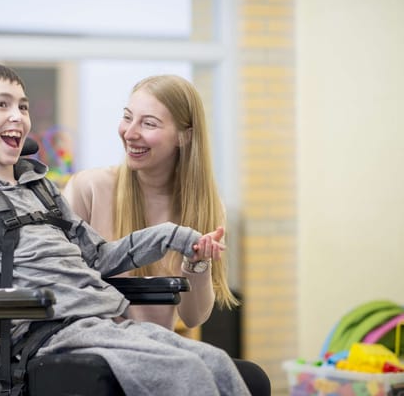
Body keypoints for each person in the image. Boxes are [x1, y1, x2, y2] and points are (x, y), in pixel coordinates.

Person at [0, 62, 250, 396]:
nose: (17, 116)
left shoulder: (42, 190)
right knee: (186, 371)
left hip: (101, 320)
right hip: (50, 332)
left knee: (218, 364)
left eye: (22, 106)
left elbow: (98, 256)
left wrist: (175, 236)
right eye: (1, 104)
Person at [63, 74, 271, 396]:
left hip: (156, 348)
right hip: (93, 346)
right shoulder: (87, 189)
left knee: (254, 379)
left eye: (148, 123)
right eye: (127, 117)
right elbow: (61, 288)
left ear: (184, 137)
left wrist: (197, 266)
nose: (130, 133)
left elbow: (192, 317)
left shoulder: (205, 206)